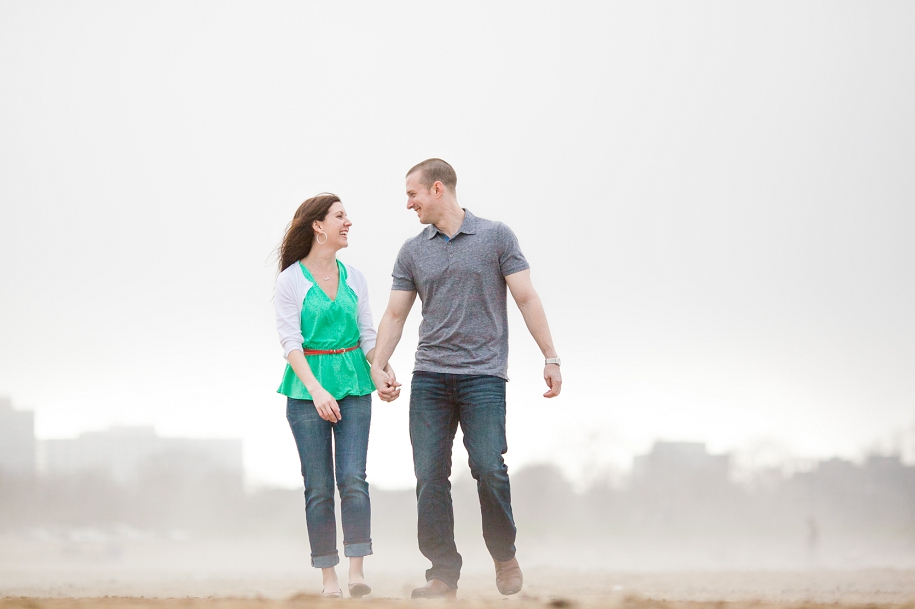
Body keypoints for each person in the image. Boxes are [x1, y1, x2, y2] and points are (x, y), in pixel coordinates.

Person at [369, 159, 562, 599]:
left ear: (437, 189)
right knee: (429, 475)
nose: (408, 203)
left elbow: (527, 297)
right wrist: (379, 365)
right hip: (430, 378)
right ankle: (441, 574)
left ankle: (504, 554)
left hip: (483, 377)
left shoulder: (497, 236)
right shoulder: (412, 250)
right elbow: (396, 313)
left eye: (412, 194)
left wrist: (550, 356)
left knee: (489, 468)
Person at [274, 193, 393, 599]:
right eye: (340, 216)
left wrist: (380, 369)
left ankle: (357, 573)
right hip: (307, 387)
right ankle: (328, 579)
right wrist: (316, 389)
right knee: (319, 486)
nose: (349, 223)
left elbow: (368, 335)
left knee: (352, 479)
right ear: (318, 226)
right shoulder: (291, 280)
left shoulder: (355, 277)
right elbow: (290, 342)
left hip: (355, 385)